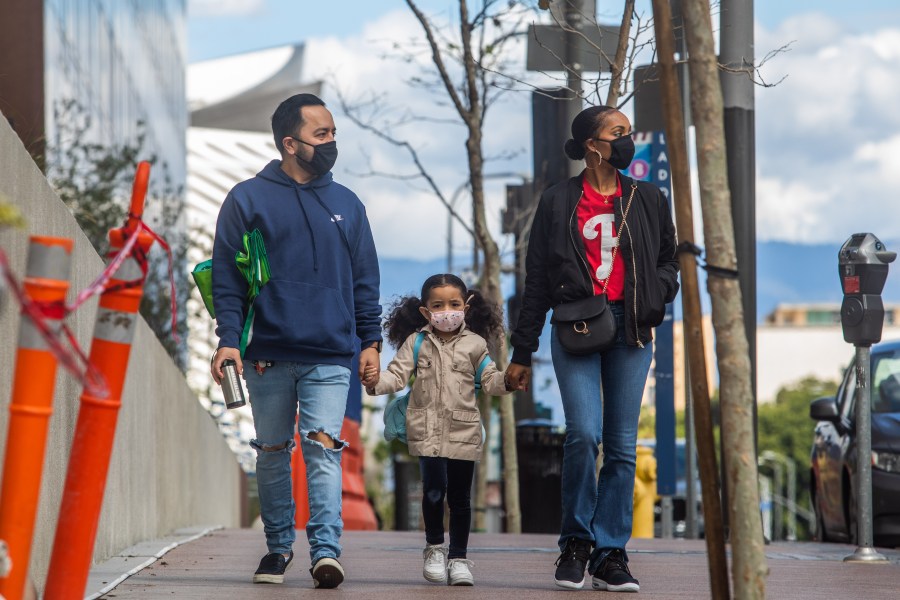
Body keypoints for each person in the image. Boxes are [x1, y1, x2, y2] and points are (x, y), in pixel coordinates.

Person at [210, 93, 382, 589]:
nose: (331, 143)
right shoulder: (247, 198)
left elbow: (364, 280)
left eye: (332, 133)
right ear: (290, 143)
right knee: (271, 451)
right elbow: (227, 279)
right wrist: (228, 341)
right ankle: (278, 548)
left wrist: (369, 341)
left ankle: (326, 552)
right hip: (267, 352)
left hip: (330, 352)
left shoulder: (348, 203)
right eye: (321, 135)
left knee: (323, 449)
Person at [505, 106, 679, 592]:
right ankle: (575, 544)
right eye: (617, 132)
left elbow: (668, 262)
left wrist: (656, 296)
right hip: (576, 325)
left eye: (627, 132)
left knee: (623, 447)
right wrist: (523, 350)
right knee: (583, 434)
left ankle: (610, 553)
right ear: (591, 145)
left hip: (632, 330)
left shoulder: (647, 197)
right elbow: (536, 278)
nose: (627, 139)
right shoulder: (558, 200)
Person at [365, 274, 513, 586]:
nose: (447, 310)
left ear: (466, 306)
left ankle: (458, 558)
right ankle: (434, 548)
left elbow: (490, 381)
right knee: (433, 492)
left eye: (454, 304)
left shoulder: (476, 345)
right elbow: (396, 375)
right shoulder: (416, 343)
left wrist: (509, 380)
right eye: (438, 305)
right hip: (426, 431)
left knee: (460, 498)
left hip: (464, 431)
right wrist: (375, 383)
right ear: (425, 312)